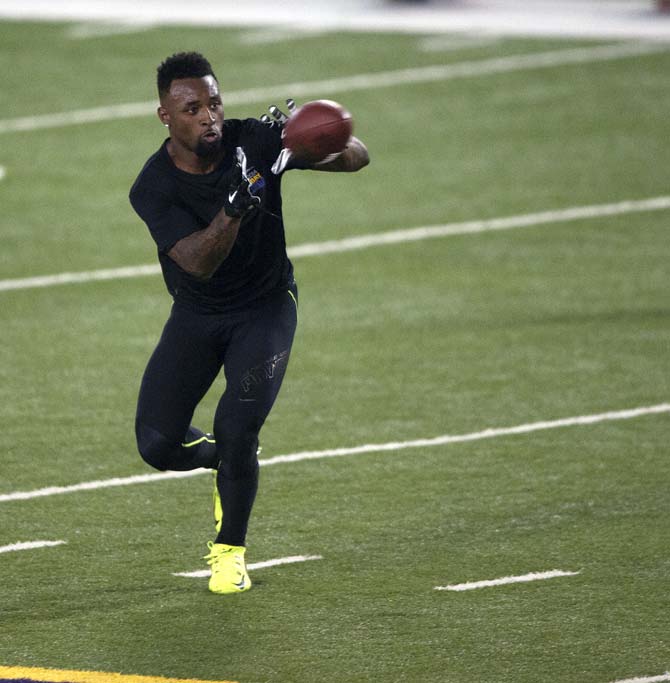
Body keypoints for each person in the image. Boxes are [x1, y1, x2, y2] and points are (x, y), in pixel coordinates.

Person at [129, 52, 369, 595]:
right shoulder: (151, 186)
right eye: (193, 108)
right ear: (165, 115)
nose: (209, 116)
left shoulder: (253, 143)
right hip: (198, 312)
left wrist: (308, 142)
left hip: (265, 309)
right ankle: (229, 460)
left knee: (240, 425)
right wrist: (235, 208)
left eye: (214, 103)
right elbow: (197, 261)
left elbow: (358, 157)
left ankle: (228, 552)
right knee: (156, 444)